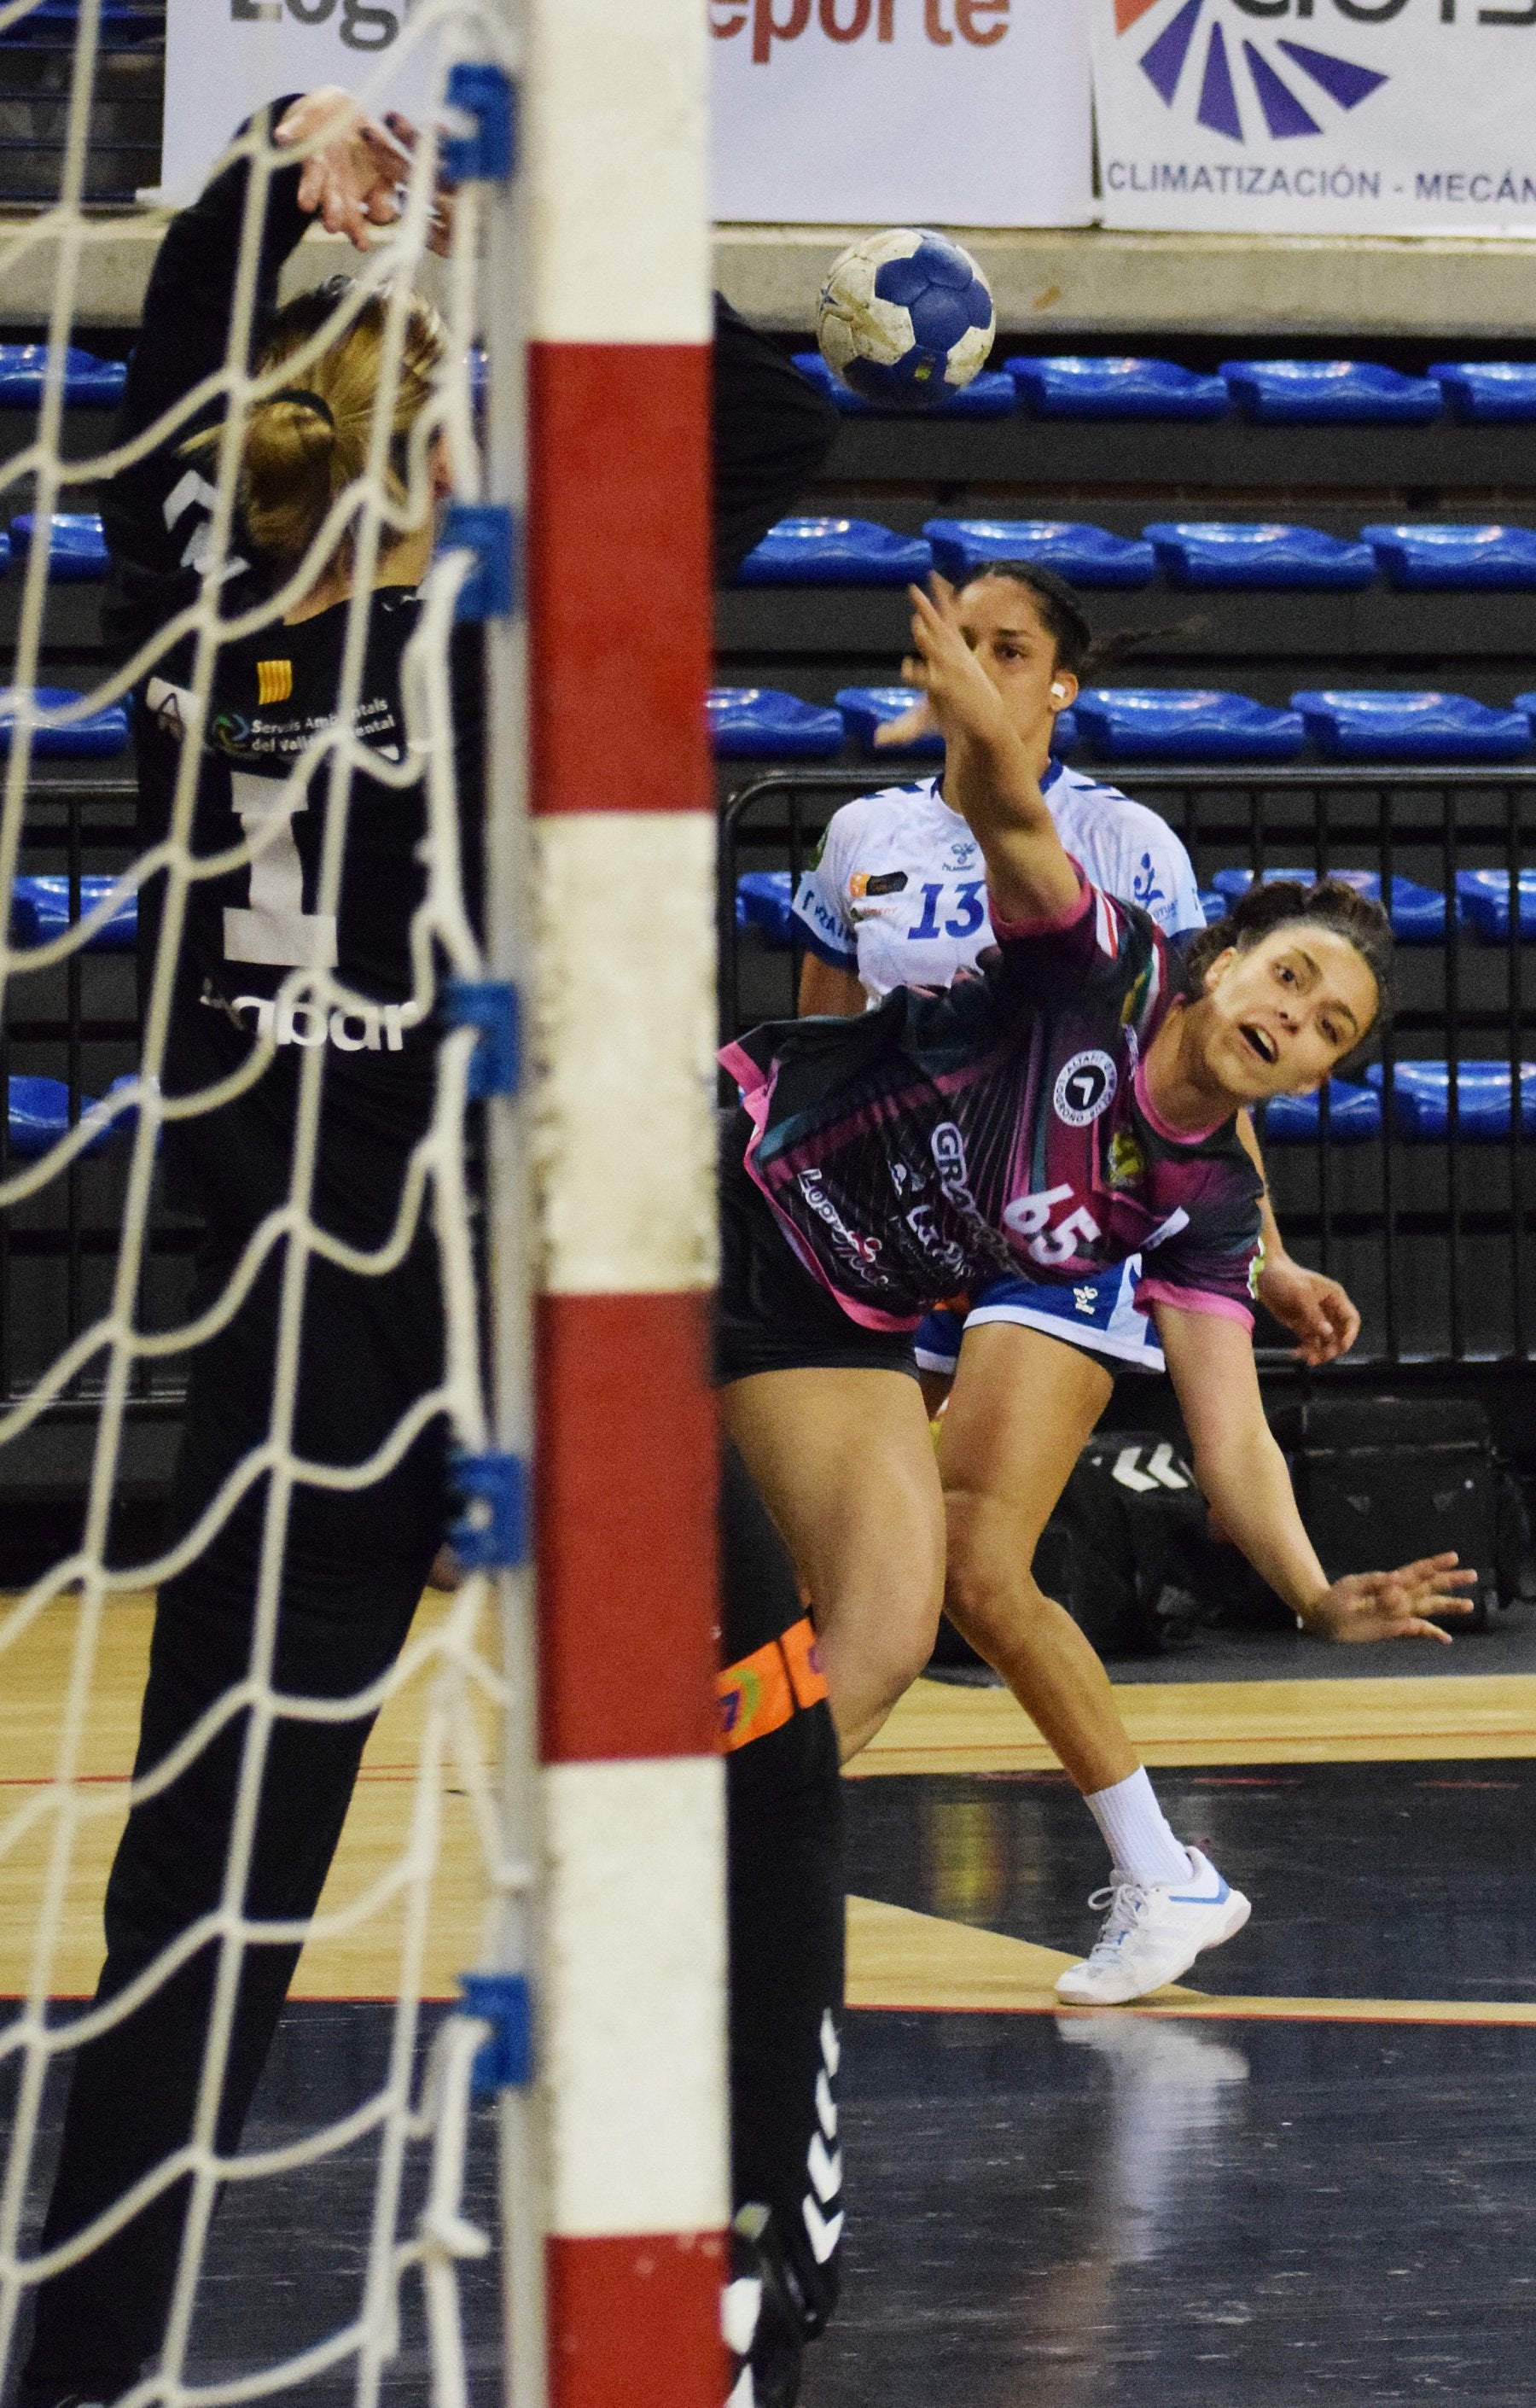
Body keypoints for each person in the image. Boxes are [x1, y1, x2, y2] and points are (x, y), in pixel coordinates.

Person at [16, 92, 840, 2404]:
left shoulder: (171, 611)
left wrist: (279, 168)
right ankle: (755, 2269)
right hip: (518, 1326)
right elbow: (775, 406)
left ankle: (78, 2352)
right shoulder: (513, 628)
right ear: (428, 465)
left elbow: (170, 379)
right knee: (759, 1743)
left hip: (282, 1334)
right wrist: (518, 219)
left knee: (206, 1891)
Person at [719, 573, 1475, 1819]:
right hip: (752, 1179)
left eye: (1326, 1023)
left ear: (1320, 1073)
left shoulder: (1202, 1194)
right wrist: (979, 729)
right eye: (1288, 977)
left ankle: (685, 1832)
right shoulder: (1094, 953)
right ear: (1220, 968)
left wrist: (1314, 1593)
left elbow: (1230, 1431)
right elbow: (1006, 836)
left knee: (895, 1615)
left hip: (879, 1284)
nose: (1293, 1014)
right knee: (728, 1543)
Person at [787, 560, 1364, 2003]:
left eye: (1013, 645)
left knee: (961, 1557)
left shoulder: (1121, 842)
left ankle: (730, 1837)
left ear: (1063, 683)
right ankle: (1166, 1869)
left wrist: (1263, 1255)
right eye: (960, 641)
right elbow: (821, 1041)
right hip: (902, 1221)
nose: (980, 661)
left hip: (1069, 1222)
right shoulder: (864, 827)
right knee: (894, 1570)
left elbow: (1199, 1072)